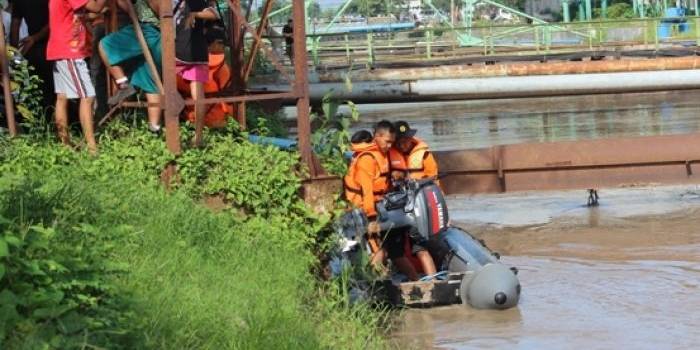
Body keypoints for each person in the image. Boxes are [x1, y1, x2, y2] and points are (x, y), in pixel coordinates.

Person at [343, 121, 419, 281]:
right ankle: (374, 284)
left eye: (392, 142)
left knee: (389, 251)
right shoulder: (367, 159)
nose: (389, 146)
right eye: (387, 141)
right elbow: (367, 191)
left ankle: (411, 282)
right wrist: (371, 218)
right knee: (378, 250)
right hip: (365, 211)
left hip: (381, 208)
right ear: (377, 137)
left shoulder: (382, 155)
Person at [47, 0, 107, 154]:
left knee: (62, 97)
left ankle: (65, 145)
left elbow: (78, 14)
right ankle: (92, 148)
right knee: (88, 97)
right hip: (70, 51)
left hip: (61, 48)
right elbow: (96, 6)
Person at [99, 0, 162, 133]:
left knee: (105, 45)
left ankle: (123, 84)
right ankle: (154, 128)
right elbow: (127, 7)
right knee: (150, 80)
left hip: (148, 30)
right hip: (154, 33)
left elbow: (161, 9)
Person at [388, 120, 439, 277]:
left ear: (411, 138)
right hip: (397, 208)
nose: (403, 144)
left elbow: (435, 180)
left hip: (419, 207)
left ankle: (433, 282)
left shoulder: (423, 154)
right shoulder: (388, 156)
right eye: (400, 141)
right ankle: (414, 279)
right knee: (395, 248)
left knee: (420, 247)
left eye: (406, 140)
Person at [173, 0, 219, 145]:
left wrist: (195, 14)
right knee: (198, 96)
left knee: (164, 87)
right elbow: (213, 14)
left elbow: (214, 14)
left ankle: (187, 135)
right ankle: (198, 136)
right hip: (195, 53)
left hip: (181, 53)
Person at [10, 0, 53, 115]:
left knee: (38, 90)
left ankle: (42, 121)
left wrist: (15, 55)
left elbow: (15, 26)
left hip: (31, 48)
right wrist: (35, 38)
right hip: (49, 47)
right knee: (53, 91)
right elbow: (54, 21)